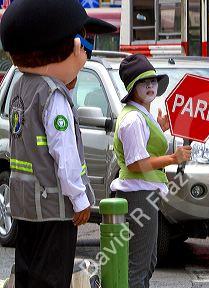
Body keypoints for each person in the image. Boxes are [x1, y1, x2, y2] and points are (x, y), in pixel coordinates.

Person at [0, 0, 116, 287]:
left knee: (28, 275)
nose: (86, 54)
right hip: (53, 208)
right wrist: (80, 199)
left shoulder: (21, 87)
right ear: (74, 46)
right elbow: (65, 155)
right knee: (52, 278)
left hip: (25, 206)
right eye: (85, 45)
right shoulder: (54, 96)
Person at [111, 54, 191, 288]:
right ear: (132, 88)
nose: (149, 86)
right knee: (139, 264)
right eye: (142, 83)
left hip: (143, 194)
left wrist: (161, 127)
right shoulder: (133, 119)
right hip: (138, 194)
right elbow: (137, 164)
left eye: (153, 81)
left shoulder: (140, 115)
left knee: (147, 259)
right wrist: (173, 158)